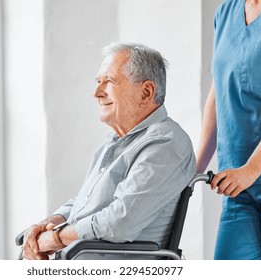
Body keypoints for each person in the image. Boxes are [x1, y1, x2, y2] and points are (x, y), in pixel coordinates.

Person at [22, 42, 196, 260]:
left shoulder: (165, 144)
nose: (96, 93)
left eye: (109, 81)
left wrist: (56, 239)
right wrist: (50, 224)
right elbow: (85, 202)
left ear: (146, 92)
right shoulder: (117, 140)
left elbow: (120, 222)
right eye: (98, 82)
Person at [196, 0, 261, 259]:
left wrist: (251, 170)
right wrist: (195, 167)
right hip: (236, 182)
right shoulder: (225, 13)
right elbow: (218, 91)